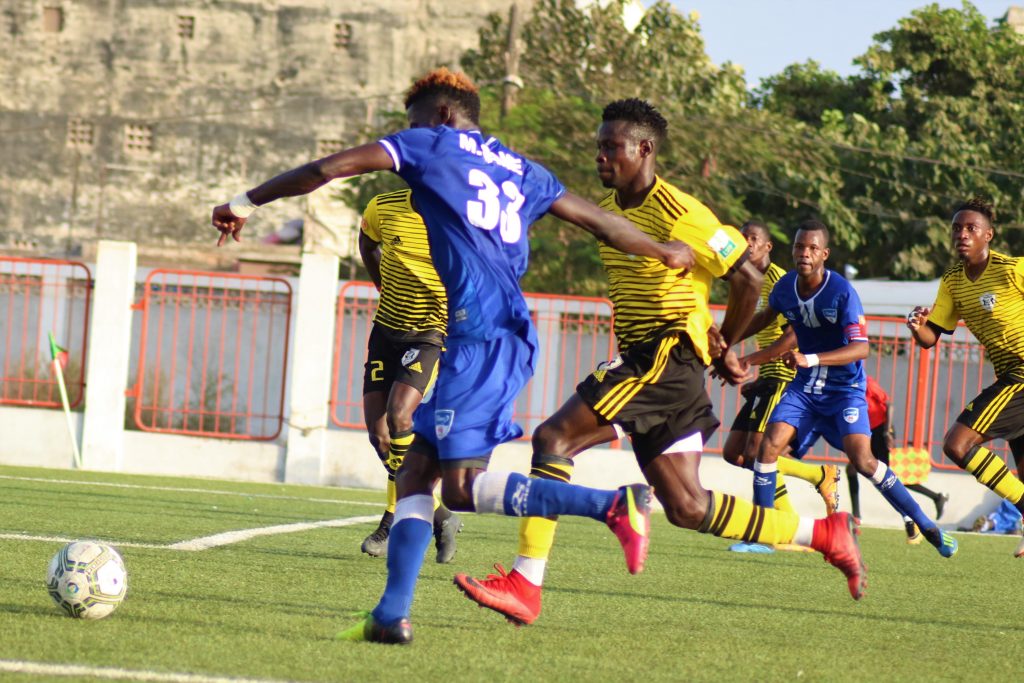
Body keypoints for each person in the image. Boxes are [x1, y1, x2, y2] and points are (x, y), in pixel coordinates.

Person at [212, 68, 696, 645]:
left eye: (413, 122)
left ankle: (612, 506)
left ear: (441, 115)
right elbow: (604, 224)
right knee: (418, 469)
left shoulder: (429, 143)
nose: (407, 135)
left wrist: (245, 200)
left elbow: (326, 169)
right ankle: (391, 615)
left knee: (462, 487)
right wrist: (662, 250)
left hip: (479, 339)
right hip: (496, 333)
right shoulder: (523, 169)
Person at [452, 99, 866, 628]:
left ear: (644, 149)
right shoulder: (608, 205)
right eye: (599, 145)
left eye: (611, 146)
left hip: (664, 354)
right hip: (664, 363)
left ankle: (526, 583)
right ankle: (824, 534)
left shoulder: (684, 214)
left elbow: (748, 276)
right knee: (688, 507)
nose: (601, 155)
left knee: (554, 439)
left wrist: (727, 344)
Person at [749, 219, 956, 565]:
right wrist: (731, 339)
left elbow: (861, 348)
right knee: (767, 447)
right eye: (800, 247)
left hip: (844, 390)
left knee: (864, 462)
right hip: (805, 388)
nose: (805, 253)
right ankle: (763, 535)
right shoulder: (785, 287)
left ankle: (924, 523)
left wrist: (809, 357)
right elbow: (765, 317)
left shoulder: (842, 292)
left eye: (813, 248)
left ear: (824, 254)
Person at [906, 197, 1024, 557]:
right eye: (957, 227)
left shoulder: (1012, 269)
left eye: (971, 228)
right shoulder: (953, 282)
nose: (962, 234)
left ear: (988, 235)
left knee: (957, 444)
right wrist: (918, 326)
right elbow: (931, 339)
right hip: (1008, 374)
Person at [357, 189, 461, 562]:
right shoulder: (383, 206)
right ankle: (441, 515)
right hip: (386, 329)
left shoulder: (456, 214)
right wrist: (382, 287)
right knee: (379, 433)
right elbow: (367, 243)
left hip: (430, 332)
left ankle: (393, 520)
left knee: (401, 415)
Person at [722, 220, 840, 532]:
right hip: (767, 376)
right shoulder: (747, 280)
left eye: (753, 238)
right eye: (741, 238)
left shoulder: (779, 280)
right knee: (734, 453)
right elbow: (753, 324)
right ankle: (816, 481)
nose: (746, 243)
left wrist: (747, 359)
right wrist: (724, 344)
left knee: (758, 453)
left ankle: (781, 523)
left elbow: (792, 338)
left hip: (784, 376)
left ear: (767, 247)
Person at [846, 375, 949, 543]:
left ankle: (909, 516)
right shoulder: (844, 385)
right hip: (868, 432)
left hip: (882, 430)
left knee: (885, 478)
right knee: (857, 470)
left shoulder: (866, 382)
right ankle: (857, 516)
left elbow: (889, 404)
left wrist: (887, 432)